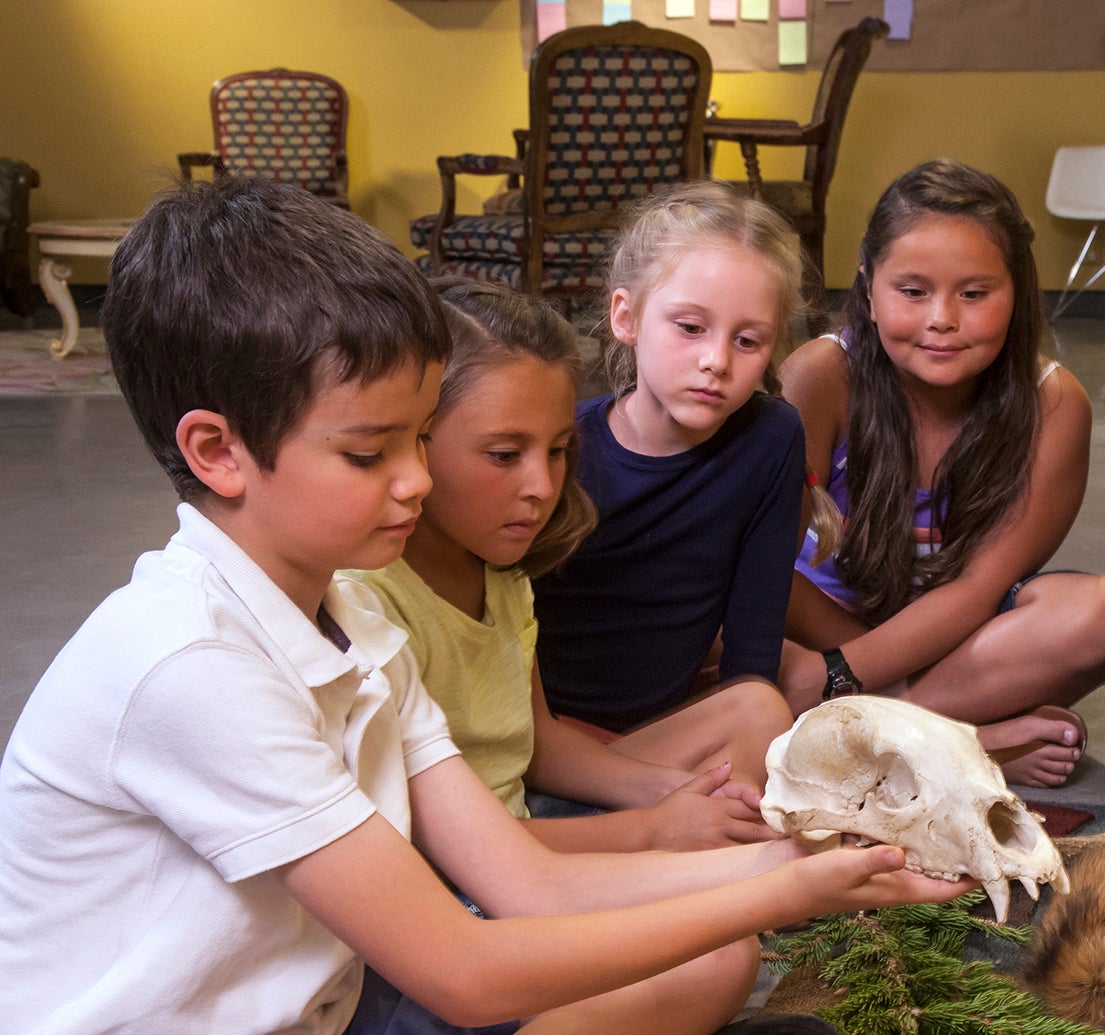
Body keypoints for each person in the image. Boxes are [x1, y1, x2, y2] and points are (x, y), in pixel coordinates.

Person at [0, 177, 966, 1035]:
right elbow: (465, 974)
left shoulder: (353, 622)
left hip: (329, 1000)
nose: (418, 481)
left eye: (423, 438)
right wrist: (783, 886)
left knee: (705, 960)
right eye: (369, 452)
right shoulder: (192, 665)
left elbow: (524, 877)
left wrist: (810, 867)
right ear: (218, 452)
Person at [343, 278, 776, 854]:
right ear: (415, 438)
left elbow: (536, 742)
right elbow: (422, 844)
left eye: (557, 449)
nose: (543, 487)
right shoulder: (367, 599)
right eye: (504, 455)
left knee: (757, 707)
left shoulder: (501, 567)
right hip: (458, 868)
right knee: (723, 947)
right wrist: (651, 828)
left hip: (527, 814)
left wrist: (679, 793)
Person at [778, 159, 1105, 788]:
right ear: (868, 288)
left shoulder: (1053, 403)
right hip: (822, 626)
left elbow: (978, 590)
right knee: (710, 595)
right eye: (912, 292)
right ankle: (968, 744)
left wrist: (836, 681)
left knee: (1101, 615)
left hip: (958, 641)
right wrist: (836, 664)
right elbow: (766, 561)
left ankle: (865, 735)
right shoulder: (821, 375)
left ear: (1017, 293)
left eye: (974, 294)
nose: (942, 318)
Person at [530, 182, 805, 790]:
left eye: (747, 340)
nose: (717, 361)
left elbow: (753, 650)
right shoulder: (559, 449)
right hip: (546, 739)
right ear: (625, 317)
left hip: (671, 730)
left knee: (766, 707)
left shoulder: (771, 435)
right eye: (690, 327)